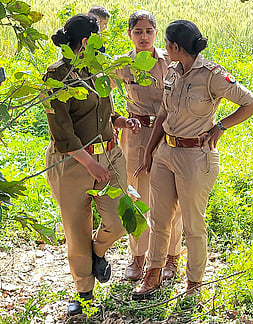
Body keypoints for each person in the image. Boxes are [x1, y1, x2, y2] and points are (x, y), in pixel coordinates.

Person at [132, 20, 253, 299]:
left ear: (176, 47)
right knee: (159, 219)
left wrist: (221, 126)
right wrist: (149, 150)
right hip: (166, 151)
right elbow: (164, 114)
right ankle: (152, 275)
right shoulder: (172, 71)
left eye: (166, 43)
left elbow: (252, 103)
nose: (164, 48)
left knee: (192, 224)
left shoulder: (212, 74)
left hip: (196, 157)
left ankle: (193, 283)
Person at [44, 14, 141, 316]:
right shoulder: (56, 76)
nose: (103, 43)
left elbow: (102, 113)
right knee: (76, 228)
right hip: (73, 163)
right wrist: (89, 163)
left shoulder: (98, 70)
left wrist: (120, 121)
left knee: (123, 219)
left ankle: (96, 254)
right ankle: (84, 293)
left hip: (110, 155)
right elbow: (63, 132)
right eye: (99, 37)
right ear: (86, 41)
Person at [114, 10, 183, 282]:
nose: (144, 37)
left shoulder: (169, 61)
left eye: (149, 31)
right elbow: (103, 94)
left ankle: (171, 257)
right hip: (137, 133)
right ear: (129, 35)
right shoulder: (122, 64)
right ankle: (138, 256)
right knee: (136, 196)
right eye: (138, 32)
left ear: (157, 32)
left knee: (170, 198)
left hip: (167, 133)